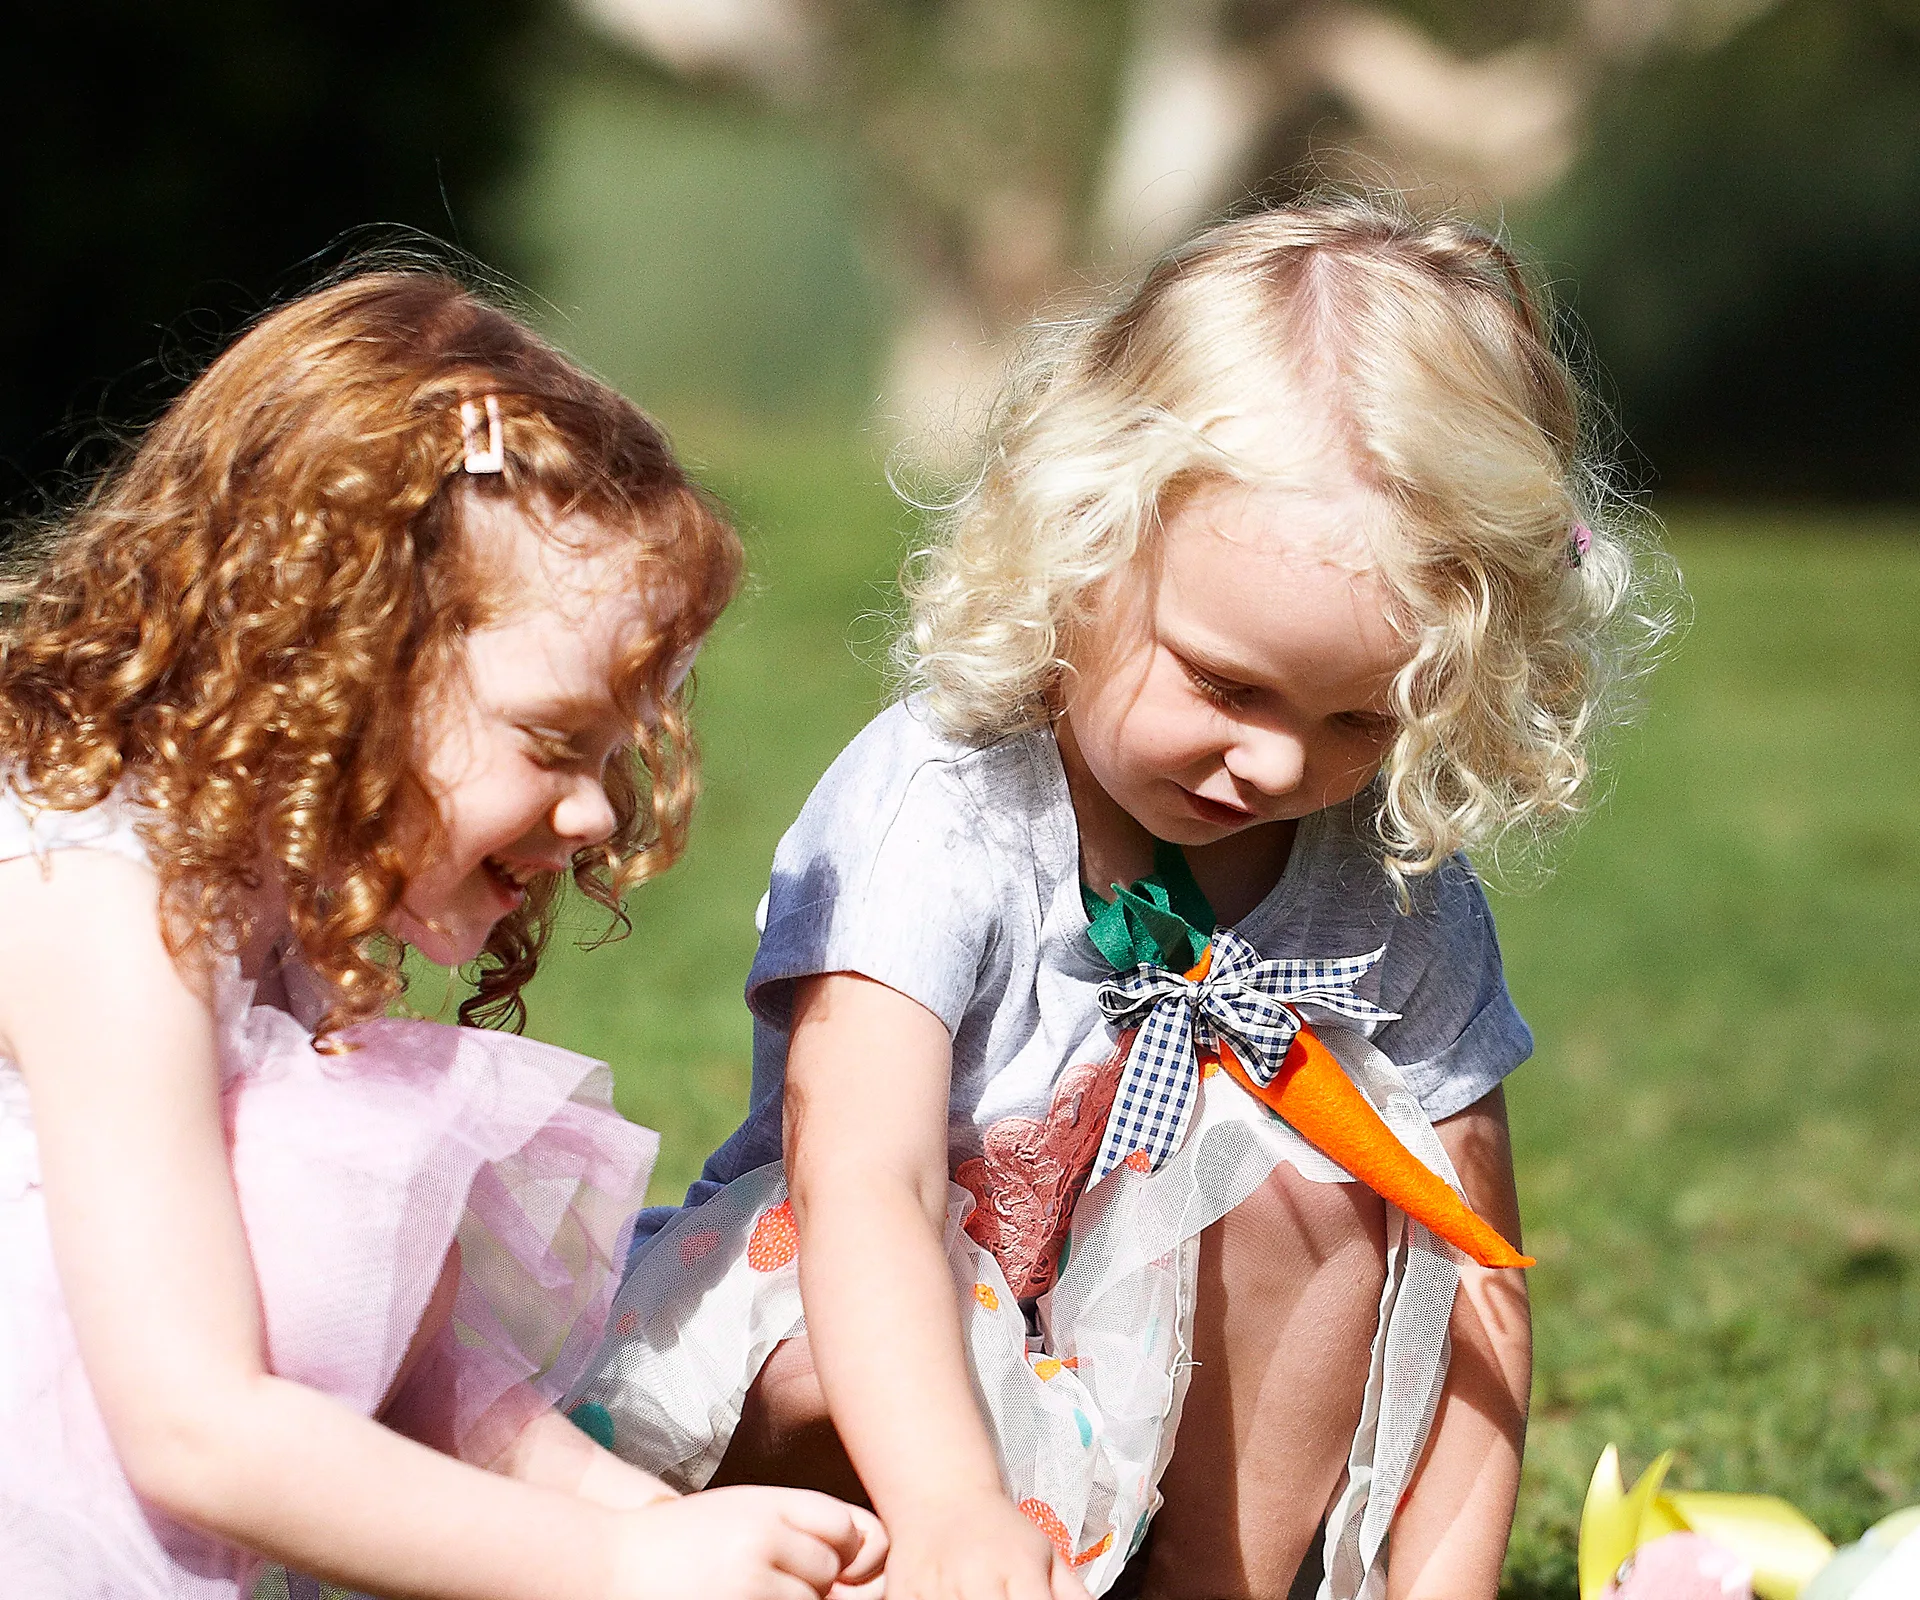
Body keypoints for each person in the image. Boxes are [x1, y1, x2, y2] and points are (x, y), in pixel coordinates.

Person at [568, 196, 1666, 1600]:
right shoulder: (948, 806)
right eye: (1225, 683)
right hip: (883, 1375)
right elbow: (868, 1183)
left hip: (1169, 1416)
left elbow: (1475, 1277)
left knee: (1332, 1191)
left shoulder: (1388, 895)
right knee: (816, 1360)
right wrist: (960, 1509)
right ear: (1083, 541)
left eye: (1360, 721)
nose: (1275, 761)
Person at [0, 270, 884, 1600]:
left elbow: (420, 1366)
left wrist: (654, 1521)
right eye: (552, 742)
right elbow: (195, 1427)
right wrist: (613, 1566)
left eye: (613, 754)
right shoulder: (97, 901)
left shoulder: (270, 898)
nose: (592, 811)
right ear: (331, 656)